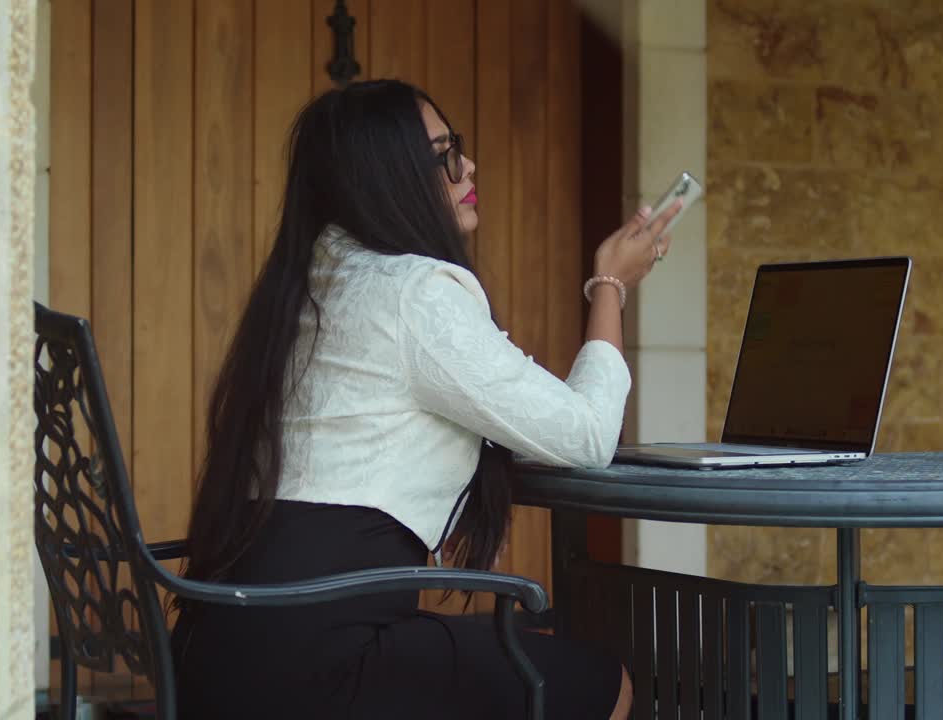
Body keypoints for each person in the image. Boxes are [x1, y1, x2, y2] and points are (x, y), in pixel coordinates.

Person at [169, 78, 681, 720]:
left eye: (456, 147)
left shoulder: (310, 285)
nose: (467, 167)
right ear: (389, 177)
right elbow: (584, 435)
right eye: (442, 154)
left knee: (533, 651)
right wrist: (610, 284)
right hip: (318, 665)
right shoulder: (416, 290)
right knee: (604, 684)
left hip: (216, 649)